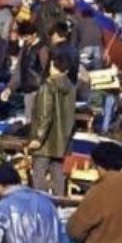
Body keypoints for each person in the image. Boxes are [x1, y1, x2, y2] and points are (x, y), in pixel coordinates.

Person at [29, 48, 77, 197]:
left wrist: (38, 138)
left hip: (46, 141)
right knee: (58, 173)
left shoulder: (48, 86)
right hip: (62, 139)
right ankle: (60, 204)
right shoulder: (71, 87)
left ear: (52, 65)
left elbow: (45, 115)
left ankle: (41, 204)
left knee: (39, 174)